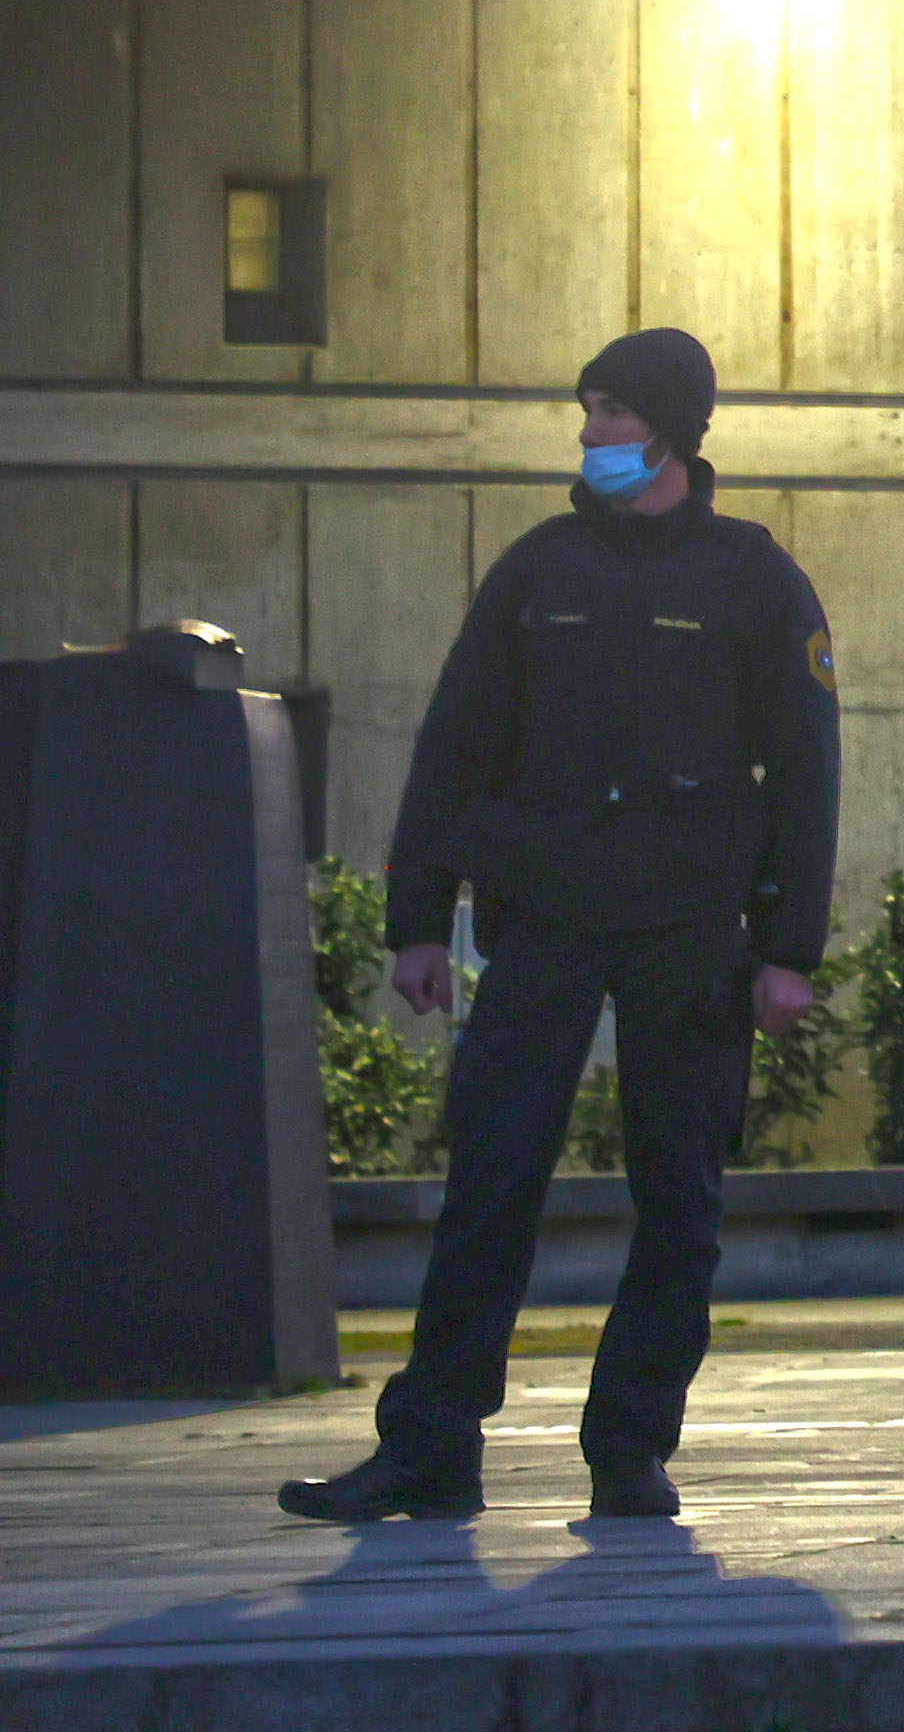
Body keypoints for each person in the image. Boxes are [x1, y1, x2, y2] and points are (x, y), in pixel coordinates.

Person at [282, 330, 838, 1523]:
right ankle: (432, 1448)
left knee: (679, 1196)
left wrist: (791, 948)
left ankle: (629, 1447)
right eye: (587, 416)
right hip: (543, 912)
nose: (590, 439)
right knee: (490, 1176)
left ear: (674, 435)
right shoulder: (539, 570)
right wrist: (418, 921)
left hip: (690, 925)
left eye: (611, 418)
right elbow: (455, 745)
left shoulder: (756, 580)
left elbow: (805, 766)